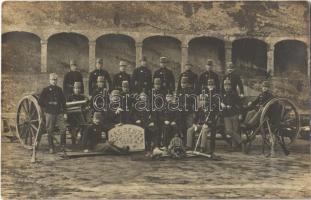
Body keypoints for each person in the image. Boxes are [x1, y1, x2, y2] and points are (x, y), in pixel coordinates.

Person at [186, 79, 220, 157]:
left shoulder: (211, 109)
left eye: (204, 100)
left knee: (204, 130)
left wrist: (207, 124)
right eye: (201, 100)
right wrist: (194, 124)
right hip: (201, 124)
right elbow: (196, 117)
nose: (202, 101)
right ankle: (189, 146)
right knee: (190, 129)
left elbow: (213, 119)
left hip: (209, 125)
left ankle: (202, 147)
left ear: (207, 100)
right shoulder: (200, 108)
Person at [38, 73, 67, 153]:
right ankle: (51, 147)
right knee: (50, 130)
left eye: (55, 80)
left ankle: (63, 146)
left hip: (58, 113)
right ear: (49, 80)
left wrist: (65, 113)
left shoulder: (59, 89)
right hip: (50, 113)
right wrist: (48, 104)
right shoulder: (46, 90)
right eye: (52, 80)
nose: (54, 81)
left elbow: (63, 102)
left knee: (63, 129)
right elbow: (40, 101)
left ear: (57, 80)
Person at [221, 79, 245, 151]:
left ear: (230, 86)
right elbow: (220, 102)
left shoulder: (234, 94)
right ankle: (241, 141)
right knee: (228, 131)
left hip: (234, 114)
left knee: (235, 130)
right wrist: (221, 104)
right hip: (226, 115)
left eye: (228, 85)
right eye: (225, 85)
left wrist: (240, 114)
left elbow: (240, 105)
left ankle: (234, 147)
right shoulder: (223, 95)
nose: (227, 87)